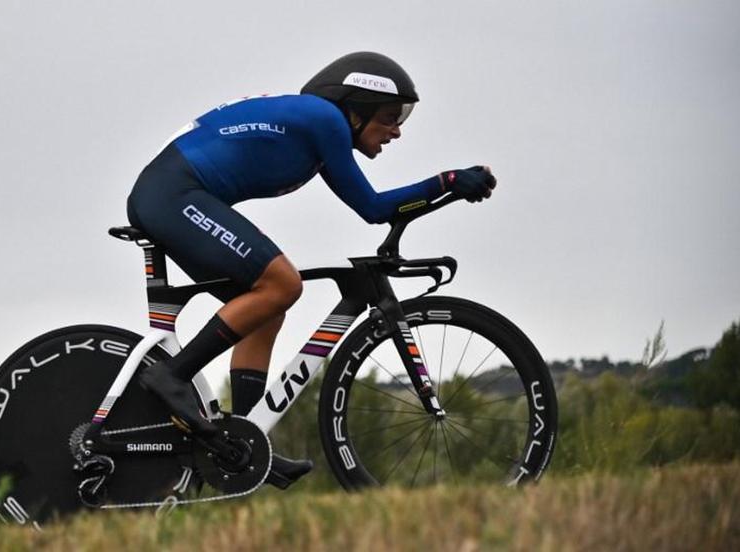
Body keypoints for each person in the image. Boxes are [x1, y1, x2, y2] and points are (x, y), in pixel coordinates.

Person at [126, 51, 497, 488]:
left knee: (267, 307)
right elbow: (373, 207)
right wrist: (447, 183)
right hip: (172, 195)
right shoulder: (325, 121)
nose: (397, 130)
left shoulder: (319, 132)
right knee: (283, 283)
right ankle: (170, 374)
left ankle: (243, 440)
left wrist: (446, 191)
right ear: (354, 109)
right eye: (390, 116)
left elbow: (375, 211)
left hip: (171, 194)